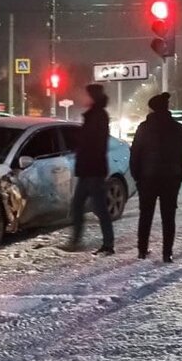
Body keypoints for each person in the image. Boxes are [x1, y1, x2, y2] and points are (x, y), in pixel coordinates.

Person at [130, 92, 182, 262]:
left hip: (147, 178)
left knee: (145, 215)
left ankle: (142, 250)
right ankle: (167, 253)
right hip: (171, 179)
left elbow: (135, 154)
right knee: (168, 217)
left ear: (152, 109)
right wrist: (180, 176)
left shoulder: (144, 128)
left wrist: (137, 177)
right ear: (167, 107)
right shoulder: (178, 129)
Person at [67, 84, 115, 255]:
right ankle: (76, 241)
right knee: (78, 205)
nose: (83, 98)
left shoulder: (98, 116)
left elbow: (95, 143)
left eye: (86, 95)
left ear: (93, 97)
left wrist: (80, 142)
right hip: (88, 169)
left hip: (93, 170)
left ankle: (108, 244)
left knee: (100, 208)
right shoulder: (94, 115)